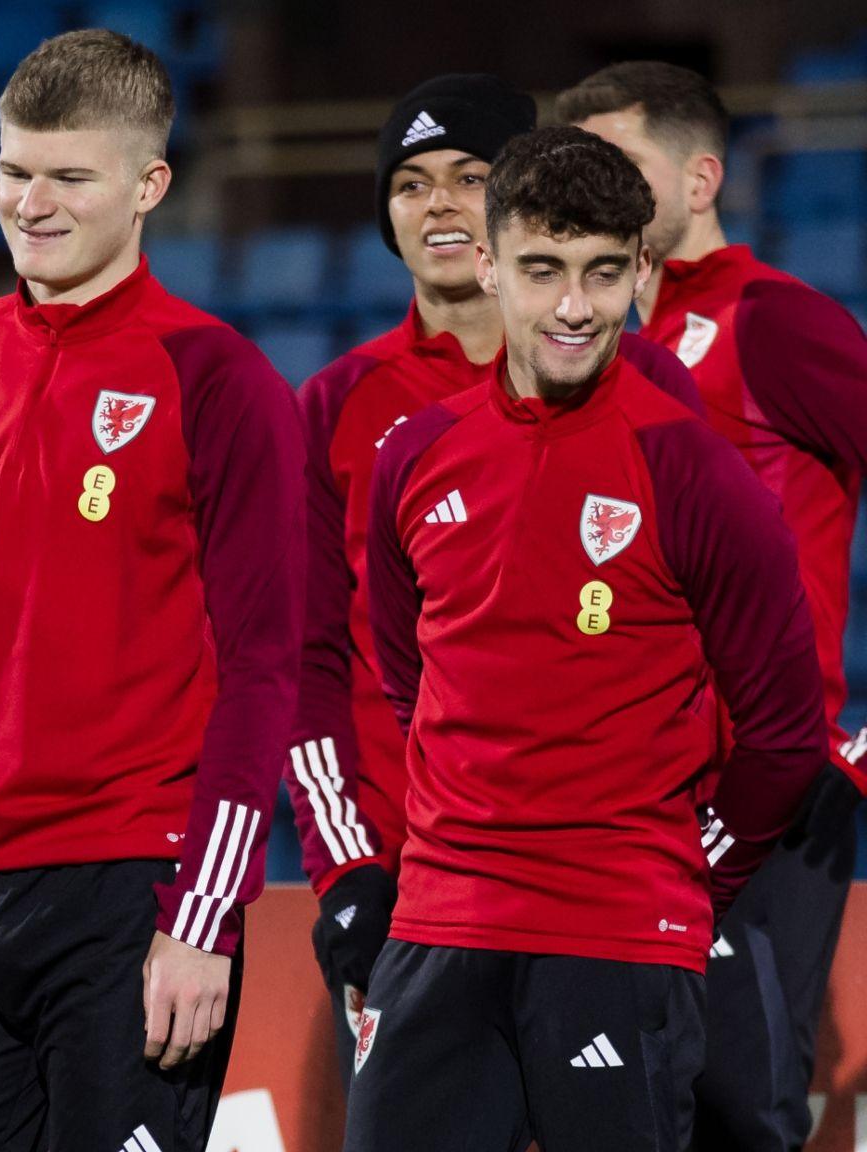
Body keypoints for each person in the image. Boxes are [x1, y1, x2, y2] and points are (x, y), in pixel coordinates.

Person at [0, 30, 302, 1149]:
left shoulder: (217, 379)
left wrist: (203, 916)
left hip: (133, 897)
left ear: (149, 185)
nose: (30, 205)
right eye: (12, 171)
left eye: (69, 177)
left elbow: (263, 669)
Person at [346, 125, 827, 1152]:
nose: (573, 307)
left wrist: (688, 871)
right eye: (542, 270)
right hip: (437, 928)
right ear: (487, 264)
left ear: (641, 270)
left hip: (617, 935)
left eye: (602, 273)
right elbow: (408, 680)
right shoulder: (415, 457)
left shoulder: (693, 471)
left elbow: (784, 737)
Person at [291, 74, 704, 1084]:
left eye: (468, 177)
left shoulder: (651, 387)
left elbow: (708, 635)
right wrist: (348, 873)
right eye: (410, 184)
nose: (436, 204)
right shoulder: (336, 406)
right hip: (414, 895)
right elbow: (305, 660)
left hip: (606, 895)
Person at [561, 62, 867, 1151]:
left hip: (763, 781)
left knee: (741, 1105)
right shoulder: (585, 345)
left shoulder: (770, 321)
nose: (595, 186)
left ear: (699, 180)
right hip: (628, 779)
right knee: (632, 1100)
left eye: (622, 164)